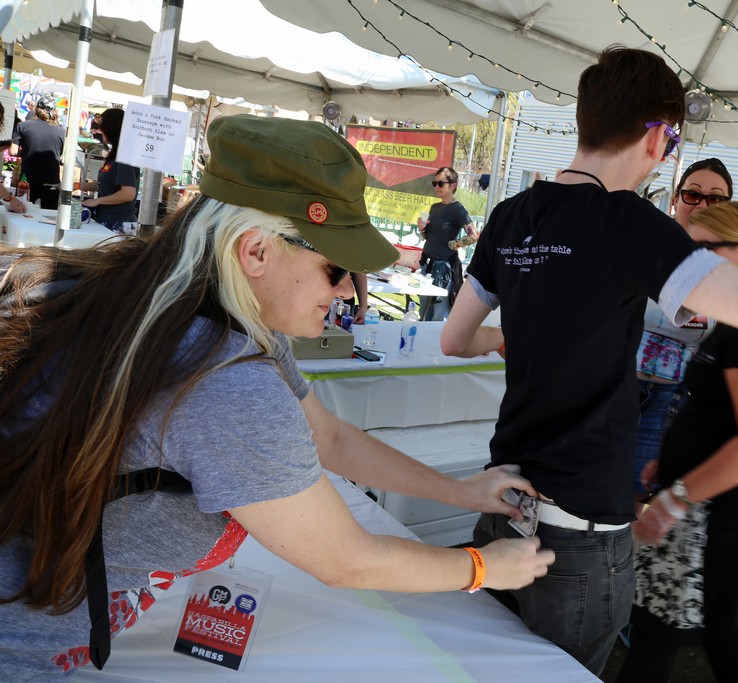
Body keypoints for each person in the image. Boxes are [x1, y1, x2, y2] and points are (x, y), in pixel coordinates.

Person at [0, 115, 554, 679]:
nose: (349, 289)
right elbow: (344, 559)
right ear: (256, 251)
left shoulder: (174, 300)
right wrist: (482, 568)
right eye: (336, 267)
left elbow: (328, 437)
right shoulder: (228, 379)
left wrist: (461, 491)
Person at [440, 46, 738, 674]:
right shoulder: (627, 220)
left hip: (504, 500)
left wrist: (514, 338)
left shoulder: (511, 214)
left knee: (484, 666)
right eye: (673, 140)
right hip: (579, 525)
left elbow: (454, 339)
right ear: (657, 136)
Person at [619, 202, 738, 683]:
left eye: (699, 252)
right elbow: (718, 412)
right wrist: (669, 461)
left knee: (655, 629)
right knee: (718, 626)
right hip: (717, 503)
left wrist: (674, 500)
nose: (687, 267)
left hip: (719, 512)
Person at [632, 157, 732, 505]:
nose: (703, 205)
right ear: (676, 198)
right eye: (693, 194)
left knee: (639, 495)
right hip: (616, 384)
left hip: (671, 400)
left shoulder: (727, 270)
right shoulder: (643, 244)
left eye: (715, 198)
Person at [416, 166, 479, 321]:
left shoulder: (458, 209)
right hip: (426, 264)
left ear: (453, 185)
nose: (437, 187)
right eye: (435, 183)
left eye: (441, 183)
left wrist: (455, 244)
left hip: (443, 267)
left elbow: (474, 235)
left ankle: (439, 337)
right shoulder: (435, 207)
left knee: (440, 313)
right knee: (424, 311)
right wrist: (422, 229)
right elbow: (428, 237)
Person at [80, 108, 141, 235]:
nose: (99, 130)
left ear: (112, 128)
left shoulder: (124, 157)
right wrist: (76, 185)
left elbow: (128, 193)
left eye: (102, 126)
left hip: (119, 224)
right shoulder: (116, 155)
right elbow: (103, 184)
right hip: (108, 220)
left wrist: (97, 201)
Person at [11, 97, 64, 210]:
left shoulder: (22, 126)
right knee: (49, 216)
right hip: (51, 182)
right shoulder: (61, 132)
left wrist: (27, 151)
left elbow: (13, 151)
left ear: (37, 109)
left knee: (21, 212)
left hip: (27, 181)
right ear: (54, 111)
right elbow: (64, 157)